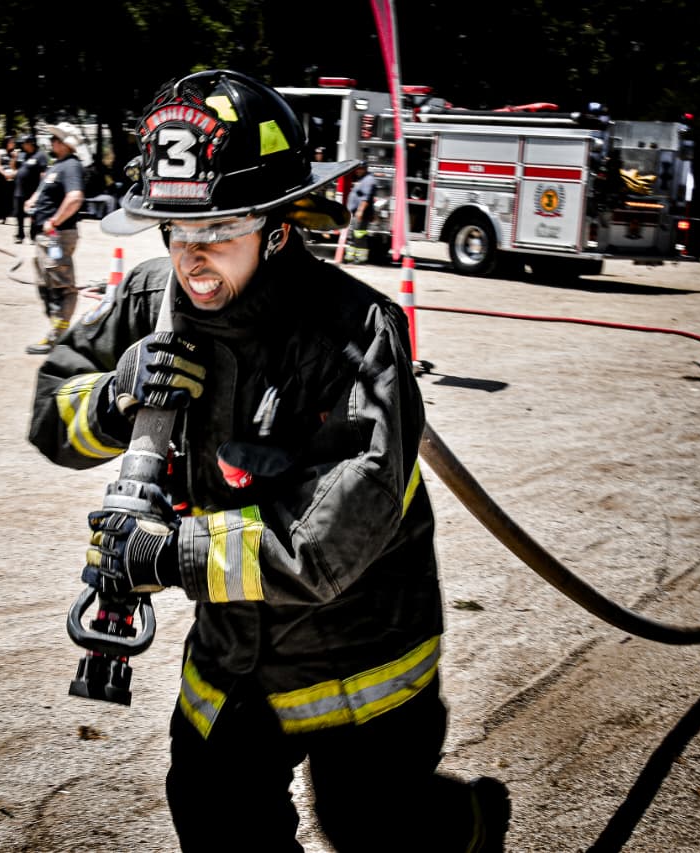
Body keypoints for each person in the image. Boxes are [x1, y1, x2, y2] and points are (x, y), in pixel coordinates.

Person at [27, 69, 510, 852]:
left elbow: (326, 542)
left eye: (218, 231)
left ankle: (468, 825)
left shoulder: (357, 334)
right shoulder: (153, 298)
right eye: (175, 232)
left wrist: (168, 552)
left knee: (374, 827)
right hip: (232, 661)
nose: (193, 258)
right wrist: (113, 397)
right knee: (214, 820)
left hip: (361, 659)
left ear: (279, 227)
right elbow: (51, 412)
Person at [21, 122, 88, 355]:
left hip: (56, 236)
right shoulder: (57, 165)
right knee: (45, 285)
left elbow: (75, 197)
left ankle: (58, 337)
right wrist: (33, 201)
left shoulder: (71, 166)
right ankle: (58, 333)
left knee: (61, 286)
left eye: (55, 139)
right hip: (47, 237)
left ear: (65, 144)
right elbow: (47, 191)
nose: (51, 143)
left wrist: (55, 220)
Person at [12, 134, 47, 245]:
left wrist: (41, 190)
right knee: (19, 214)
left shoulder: (40, 155)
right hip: (19, 189)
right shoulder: (22, 155)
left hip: (32, 191)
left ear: (31, 143)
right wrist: (14, 158)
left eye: (24, 143)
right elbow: (14, 168)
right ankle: (20, 235)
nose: (22, 145)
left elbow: (43, 173)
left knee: (33, 214)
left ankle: (33, 235)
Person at [344, 160, 378, 263]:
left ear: (365, 169)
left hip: (361, 215)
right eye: (357, 169)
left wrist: (360, 211)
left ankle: (361, 258)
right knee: (353, 236)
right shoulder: (362, 179)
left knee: (359, 236)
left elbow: (366, 198)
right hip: (355, 214)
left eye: (360, 169)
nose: (358, 171)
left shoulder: (368, 180)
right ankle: (350, 257)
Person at [0, 135, 17, 223]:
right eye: (11, 142)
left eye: (13, 142)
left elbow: (14, 166)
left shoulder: (14, 153)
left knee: (7, 197)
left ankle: (4, 216)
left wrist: (14, 158)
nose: (12, 144)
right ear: (6, 142)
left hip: (10, 176)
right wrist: (4, 173)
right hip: (0, 175)